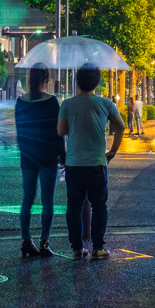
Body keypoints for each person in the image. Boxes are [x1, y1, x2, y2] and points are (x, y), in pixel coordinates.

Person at [57, 64, 125, 260]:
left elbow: (61, 131)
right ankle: (98, 247)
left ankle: (77, 248)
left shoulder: (67, 104)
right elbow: (120, 127)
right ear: (97, 81)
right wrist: (113, 151)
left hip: (74, 163)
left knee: (73, 207)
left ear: (77, 81)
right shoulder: (105, 103)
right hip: (97, 162)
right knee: (99, 205)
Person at [15, 63, 65, 257]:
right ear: (47, 79)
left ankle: (25, 240)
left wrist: (25, 152)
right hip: (47, 157)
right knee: (47, 201)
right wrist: (62, 155)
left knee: (27, 199)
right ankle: (44, 242)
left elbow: (21, 133)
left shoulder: (21, 101)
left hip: (28, 157)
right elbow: (58, 133)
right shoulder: (52, 101)